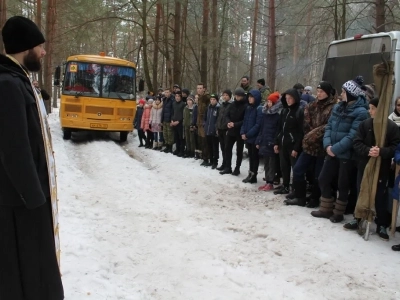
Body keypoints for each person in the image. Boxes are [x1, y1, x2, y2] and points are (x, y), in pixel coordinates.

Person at [0, 16, 64, 299]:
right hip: (20, 201)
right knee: (23, 269)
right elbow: (13, 148)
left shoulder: (19, 80)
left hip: (28, 198)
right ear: (24, 47)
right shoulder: (7, 85)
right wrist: (34, 198)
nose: (44, 51)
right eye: (39, 46)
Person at [311, 76, 369, 222]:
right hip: (331, 151)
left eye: (343, 91)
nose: (341, 94)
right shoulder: (338, 107)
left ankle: (338, 212)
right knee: (323, 178)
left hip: (346, 155)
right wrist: (327, 145)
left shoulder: (361, 112)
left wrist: (335, 149)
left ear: (350, 93)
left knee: (342, 184)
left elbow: (352, 136)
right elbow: (329, 127)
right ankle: (326, 208)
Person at [343, 97, 400, 240]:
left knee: (380, 195)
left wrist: (381, 151)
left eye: (373, 108)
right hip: (364, 164)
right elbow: (357, 142)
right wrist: (369, 150)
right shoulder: (364, 124)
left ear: (380, 109)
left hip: (383, 167)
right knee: (361, 190)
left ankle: (381, 223)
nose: (370, 111)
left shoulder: (392, 128)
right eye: (370, 108)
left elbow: (394, 147)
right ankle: (358, 217)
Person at [285, 82, 336, 207]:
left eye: (321, 91)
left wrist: (314, 134)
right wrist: (311, 134)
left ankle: (314, 198)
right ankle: (300, 197)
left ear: (328, 93)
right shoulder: (311, 105)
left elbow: (328, 126)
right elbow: (306, 122)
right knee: (298, 169)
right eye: (318, 91)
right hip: (309, 145)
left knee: (318, 175)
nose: (318, 94)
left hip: (322, 146)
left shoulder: (334, 108)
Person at [273, 88, 304, 195]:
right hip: (283, 143)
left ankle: (295, 189)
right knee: (284, 167)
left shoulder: (299, 111)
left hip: (293, 145)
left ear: (295, 99)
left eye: (290, 98)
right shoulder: (284, 111)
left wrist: (296, 147)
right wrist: (276, 142)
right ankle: (285, 186)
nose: (288, 100)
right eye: (286, 98)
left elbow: (301, 132)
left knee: (295, 169)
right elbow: (279, 128)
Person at [256, 92, 281, 191]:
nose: (269, 103)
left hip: (272, 142)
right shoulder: (265, 113)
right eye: (268, 101)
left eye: (271, 102)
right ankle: (267, 181)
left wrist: (275, 142)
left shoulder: (278, 115)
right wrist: (259, 140)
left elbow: (278, 130)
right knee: (266, 162)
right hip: (264, 140)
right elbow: (262, 128)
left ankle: (270, 181)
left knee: (272, 163)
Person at [220, 88, 247, 176]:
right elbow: (227, 115)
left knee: (239, 151)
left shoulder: (245, 106)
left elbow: (245, 120)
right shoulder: (232, 104)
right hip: (231, 130)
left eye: (238, 96)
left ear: (242, 96)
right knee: (227, 148)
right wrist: (228, 122)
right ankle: (228, 167)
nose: (237, 97)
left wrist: (235, 124)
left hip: (239, 131)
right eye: (236, 95)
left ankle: (237, 168)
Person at [240, 89, 263, 183]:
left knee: (255, 157)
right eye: (249, 97)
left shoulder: (259, 108)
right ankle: (250, 173)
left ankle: (254, 176)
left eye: (251, 97)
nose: (249, 99)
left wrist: (248, 134)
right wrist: (242, 132)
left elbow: (258, 125)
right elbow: (244, 121)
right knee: (251, 156)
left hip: (254, 137)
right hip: (247, 137)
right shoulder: (248, 108)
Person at [215, 89, 232, 171]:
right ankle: (223, 163)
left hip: (226, 129)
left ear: (229, 96)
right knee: (222, 147)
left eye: (226, 95)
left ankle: (228, 166)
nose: (225, 97)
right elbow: (218, 117)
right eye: (224, 95)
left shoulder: (231, 105)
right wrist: (217, 127)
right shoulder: (221, 105)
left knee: (226, 148)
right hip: (220, 129)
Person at [204, 94, 220, 168]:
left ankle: (215, 161)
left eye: (214, 99)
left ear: (217, 100)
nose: (212, 101)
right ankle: (210, 160)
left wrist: (216, 128)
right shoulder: (208, 108)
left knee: (215, 147)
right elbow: (205, 118)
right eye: (211, 99)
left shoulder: (218, 108)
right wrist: (205, 125)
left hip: (214, 132)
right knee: (209, 146)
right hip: (208, 130)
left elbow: (218, 120)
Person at [196, 83, 211, 166]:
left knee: (206, 141)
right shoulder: (199, 98)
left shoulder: (207, 98)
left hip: (205, 122)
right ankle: (204, 156)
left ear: (204, 89)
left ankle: (207, 158)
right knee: (202, 140)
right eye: (198, 88)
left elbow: (208, 111)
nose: (199, 90)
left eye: (200, 88)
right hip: (200, 122)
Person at [171, 91, 186, 156]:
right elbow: (172, 112)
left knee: (181, 137)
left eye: (178, 96)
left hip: (180, 123)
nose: (177, 98)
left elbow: (183, 115)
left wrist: (178, 121)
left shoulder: (183, 104)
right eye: (176, 96)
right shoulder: (174, 103)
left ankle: (181, 150)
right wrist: (172, 120)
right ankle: (177, 149)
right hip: (174, 122)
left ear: (181, 97)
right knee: (176, 137)